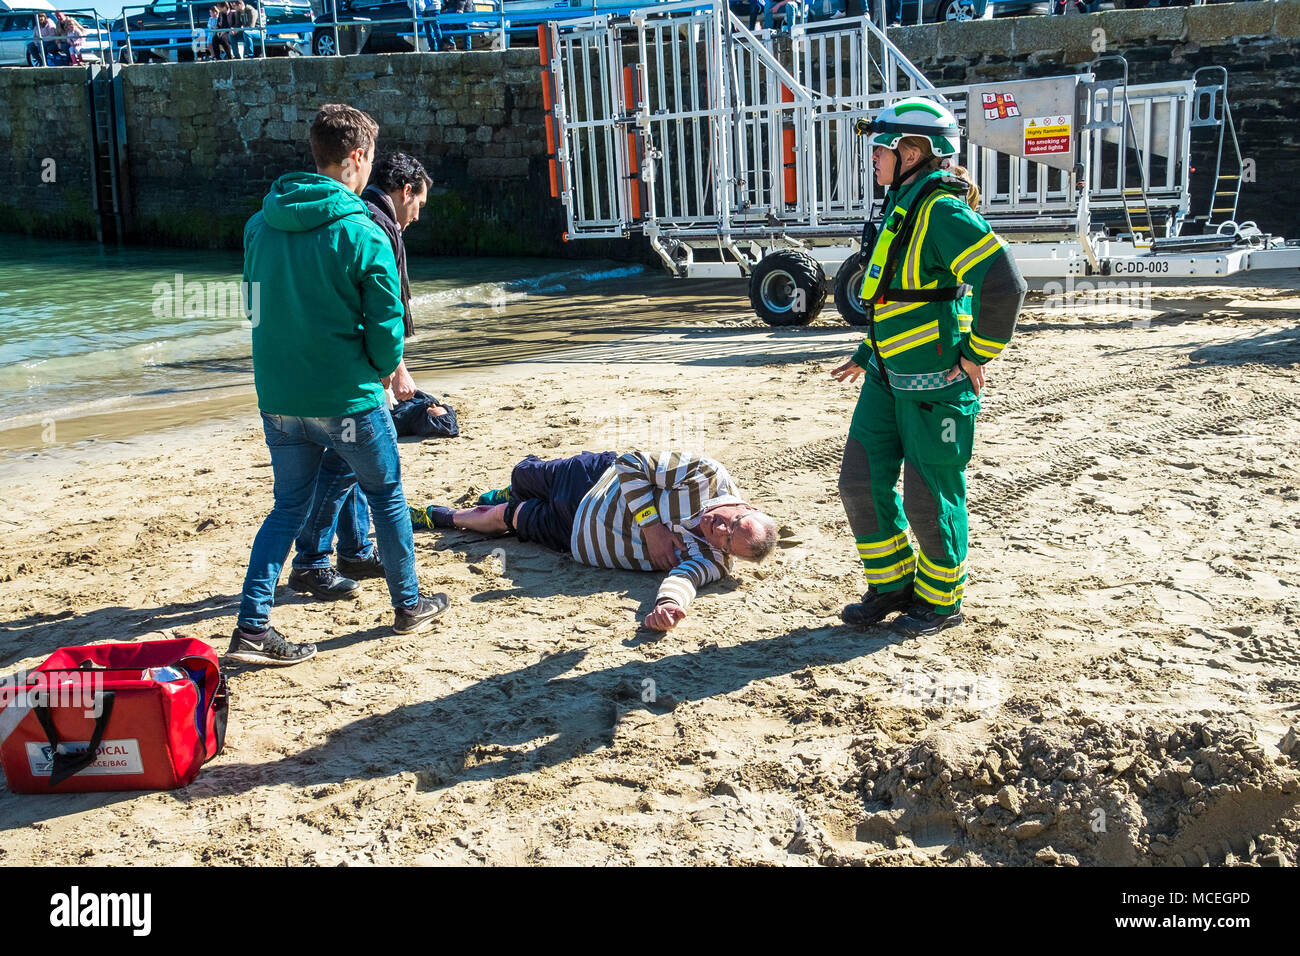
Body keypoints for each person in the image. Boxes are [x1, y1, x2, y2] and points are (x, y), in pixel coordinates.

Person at [229, 104, 448, 667]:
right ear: (356, 157)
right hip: (347, 398)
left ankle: (252, 627)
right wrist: (382, 372)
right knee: (387, 495)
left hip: (280, 398)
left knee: (286, 509)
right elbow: (386, 327)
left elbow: (256, 309)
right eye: (370, 160)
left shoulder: (259, 224)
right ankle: (409, 604)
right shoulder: (362, 229)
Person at [834, 97, 1026, 637]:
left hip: (938, 386)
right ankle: (892, 584)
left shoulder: (942, 212)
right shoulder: (905, 207)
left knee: (927, 493)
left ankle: (940, 600)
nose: (873, 160)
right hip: (887, 378)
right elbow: (895, 296)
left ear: (914, 151)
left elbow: (1005, 284)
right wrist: (867, 354)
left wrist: (978, 353)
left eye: (881, 149)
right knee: (859, 481)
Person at [411, 449, 780, 632]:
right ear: (746, 506)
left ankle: (436, 515)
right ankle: (506, 491)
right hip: (592, 479)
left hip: (572, 533)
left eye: (728, 542)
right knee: (522, 475)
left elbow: (684, 580)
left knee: (504, 520)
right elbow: (631, 461)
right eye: (733, 524)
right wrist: (652, 528)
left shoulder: (711, 558)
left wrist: (667, 608)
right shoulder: (708, 476)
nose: (719, 532)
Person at [287, 151, 432, 602]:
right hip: (356, 373)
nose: (417, 216)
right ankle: (315, 560)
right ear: (405, 191)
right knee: (355, 470)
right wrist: (395, 370)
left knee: (346, 464)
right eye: (419, 205)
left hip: (319, 371)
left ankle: (352, 549)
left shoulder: (362, 216)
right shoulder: (374, 225)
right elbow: (380, 308)